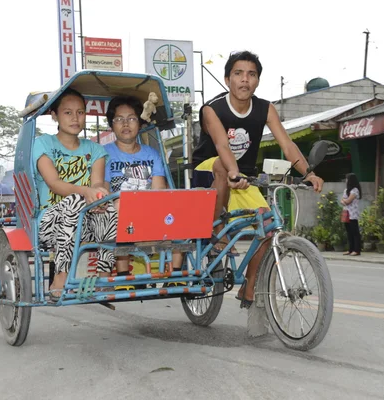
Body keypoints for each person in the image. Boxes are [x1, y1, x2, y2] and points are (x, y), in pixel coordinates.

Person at [191, 50, 324, 308]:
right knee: (222, 164)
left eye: (251, 74)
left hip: (242, 179)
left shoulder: (265, 108)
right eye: (238, 74)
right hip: (210, 173)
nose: (245, 80)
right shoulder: (212, 109)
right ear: (227, 79)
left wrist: (308, 173)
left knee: (268, 224)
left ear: (258, 80)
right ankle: (216, 228)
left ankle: (250, 287)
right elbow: (222, 145)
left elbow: (286, 144)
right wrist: (232, 172)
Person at [33, 88, 116, 300]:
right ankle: (61, 275)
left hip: (85, 226)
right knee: (76, 199)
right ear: (55, 116)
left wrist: (99, 195)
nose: (75, 118)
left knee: (109, 203)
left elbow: (97, 183)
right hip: (49, 224)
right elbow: (53, 183)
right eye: (68, 112)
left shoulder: (95, 149)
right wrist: (86, 192)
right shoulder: (43, 143)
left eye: (80, 112)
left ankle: (104, 274)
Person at [103, 95, 183, 279]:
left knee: (180, 209)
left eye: (131, 118)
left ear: (139, 123)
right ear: (112, 125)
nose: (125, 124)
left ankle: (176, 275)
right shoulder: (104, 153)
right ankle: (124, 274)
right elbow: (104, 188)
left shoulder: (152, 154)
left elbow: (158, 189)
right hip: (119, 209)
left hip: (149, 208)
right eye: (119, 119)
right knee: (118, 208)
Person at [340, 173, 362, 256]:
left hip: (353, 214)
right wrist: (345, 201)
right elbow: (342, 201)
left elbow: (348, 201)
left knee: (355, 232)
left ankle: (357, 250)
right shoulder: (346, 190)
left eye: (347, 179)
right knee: (349, 232)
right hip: (346, 213)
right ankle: (350, 249)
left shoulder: (355, 190)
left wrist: (345, 201)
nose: (346, 181)